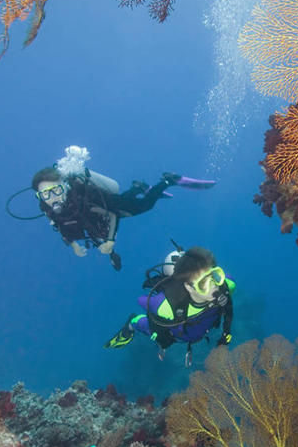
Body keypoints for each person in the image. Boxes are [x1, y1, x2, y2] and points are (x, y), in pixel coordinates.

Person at [32, 147, 215, 271]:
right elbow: (62, 228)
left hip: (106, 206)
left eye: (55, 190)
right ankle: (138, 187)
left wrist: (110, 242)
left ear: (65, 186)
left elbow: (112, 214)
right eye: (45, 194)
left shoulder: (80, 201)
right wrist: (74, 246)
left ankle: (169, 180)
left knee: (145, 206)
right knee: (126, 201)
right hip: (102, 210)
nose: (52, 198)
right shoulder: (48, 208)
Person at [104, 246, 235, 364]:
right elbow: (142, 301)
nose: (213, 286)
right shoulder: (164, 305)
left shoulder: (227, 284)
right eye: (203, 284)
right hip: (176, 334)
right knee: (152, 328)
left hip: (201, 328)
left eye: (214, 276)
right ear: (188, 287)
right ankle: (131, 324)